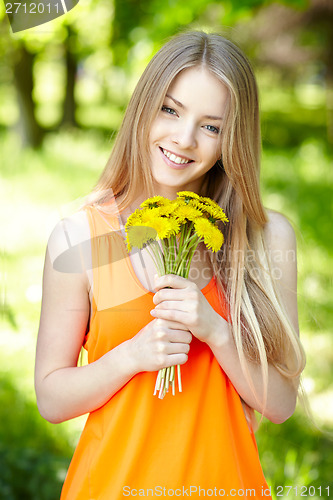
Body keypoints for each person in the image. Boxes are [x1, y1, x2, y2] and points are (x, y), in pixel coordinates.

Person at [35, 31, 306, 499]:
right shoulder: (80, 238)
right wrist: (132, 356)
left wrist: (214, 330)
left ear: (232, 139)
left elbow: (280, 404)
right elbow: (51, 396)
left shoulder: (264, 238)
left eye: (211, 126)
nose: (184, 139)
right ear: (144, 106)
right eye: (170, 110)